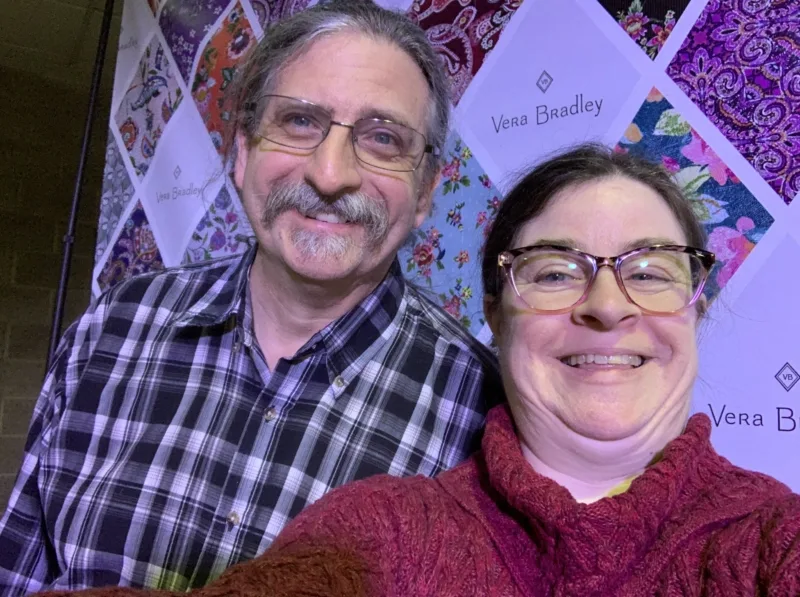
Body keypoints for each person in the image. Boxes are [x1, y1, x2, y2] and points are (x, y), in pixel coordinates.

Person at [42, 144, 800, 597]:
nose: (607, 304)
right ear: (496, 314)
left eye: (653, 268)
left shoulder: (770, 540)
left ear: (695, 306)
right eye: (554, 270)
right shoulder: (387, 531)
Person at [0, 0, 503, 593]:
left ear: (424, 192)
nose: (330, 173)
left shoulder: (484, 410)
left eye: (383, 138)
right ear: (242, 151)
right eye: (298, 122)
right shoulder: (113, 326)